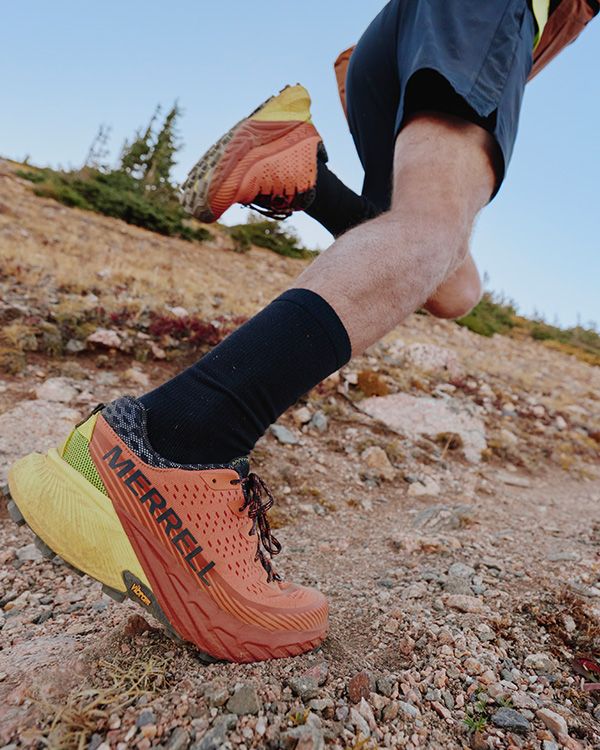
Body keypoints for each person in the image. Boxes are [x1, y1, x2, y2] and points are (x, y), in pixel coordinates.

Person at [8, 0, 596, 664]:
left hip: (399, 43)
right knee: (430, 233)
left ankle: (306, 174)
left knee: (450, 283)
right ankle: (178, 442)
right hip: (483, 17)